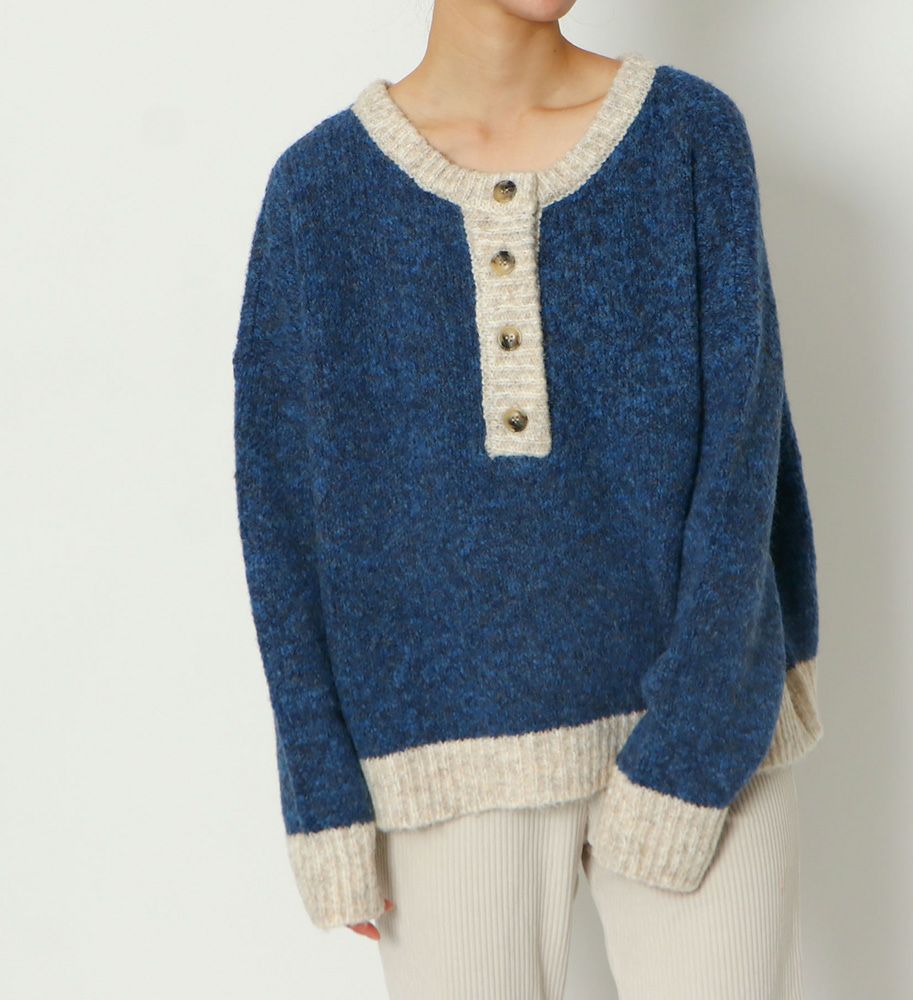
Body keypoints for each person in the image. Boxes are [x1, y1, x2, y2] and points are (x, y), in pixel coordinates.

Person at [231, 5, 824, 998]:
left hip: (706, 728)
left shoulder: (688, 136)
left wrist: (691, 749)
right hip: (440, 761)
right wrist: (323, 798)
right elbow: (282, 522)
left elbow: (744, 465)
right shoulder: (317, 194)